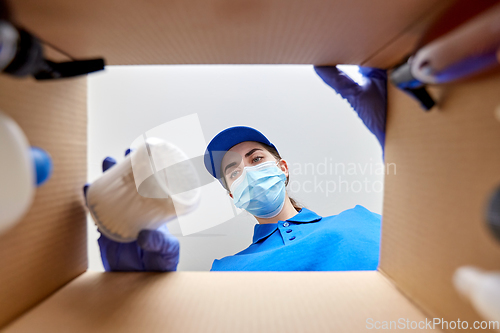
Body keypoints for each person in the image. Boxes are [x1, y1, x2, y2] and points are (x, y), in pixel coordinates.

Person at [86, 65, 387, 272]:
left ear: (282, 168)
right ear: (233, 195)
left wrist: (405, 140)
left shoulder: (362, 221)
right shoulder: (226, 269)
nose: (246, 171)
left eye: (256, 159)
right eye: (233, 171)